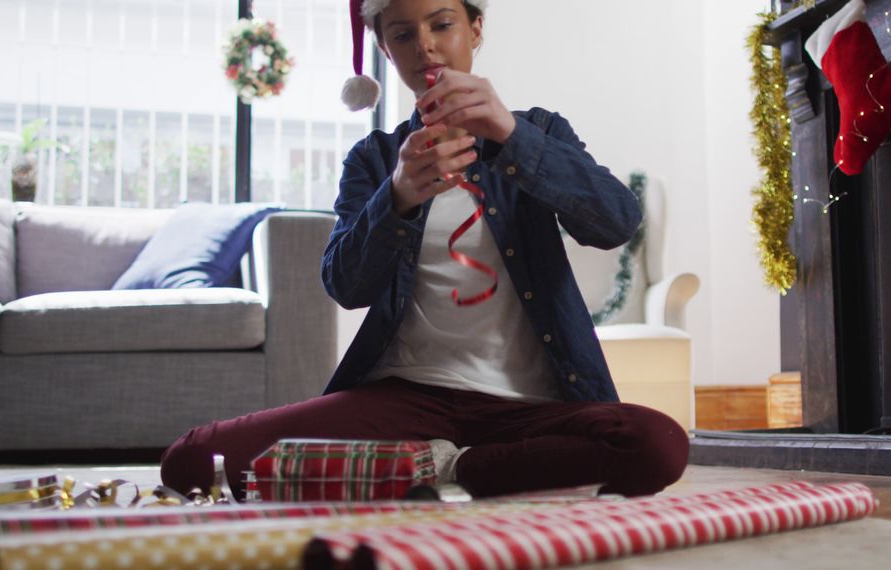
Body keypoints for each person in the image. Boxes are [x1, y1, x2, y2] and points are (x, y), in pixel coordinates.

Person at [160, 0, 689, 499]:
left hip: (532, 405)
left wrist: (509, 132)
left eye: (442, 24)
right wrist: (398, 196)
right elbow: (346, 287)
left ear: (475, 29)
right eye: (403, 34)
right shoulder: (375, 159)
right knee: (193, 461)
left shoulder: (539, 130)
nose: (426, 48)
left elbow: (615, 222)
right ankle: (453, 462)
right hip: (405, 400)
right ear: (384, 50)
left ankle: (449, 466)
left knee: (656, 445)